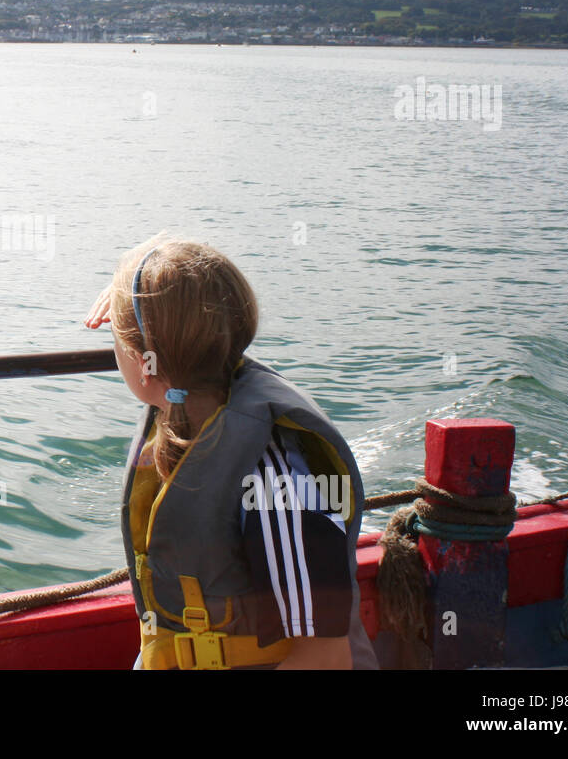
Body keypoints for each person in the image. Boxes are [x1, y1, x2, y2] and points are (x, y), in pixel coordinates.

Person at [84, 235, 377, 670]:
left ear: (140, 360)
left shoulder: (273, 480)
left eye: (118, 341)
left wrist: (142, 310)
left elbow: (326, 657)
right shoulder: (185, 403)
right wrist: (138, 300)